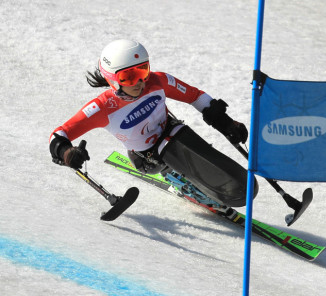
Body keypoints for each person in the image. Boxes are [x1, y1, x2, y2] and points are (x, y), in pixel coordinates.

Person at [49, 39, 258, 211]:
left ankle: (190, 173)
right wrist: (66, 152)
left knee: (179, 134)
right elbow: (59, 134)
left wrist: (225, 121)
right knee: (172, 144)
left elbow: (195, 96)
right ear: (112, 79)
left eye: (143, 70)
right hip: (147, 158)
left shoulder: (158, 81)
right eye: (129, 77)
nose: (140, 81)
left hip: (173, 133)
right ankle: (177, 175)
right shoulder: (102, 107)